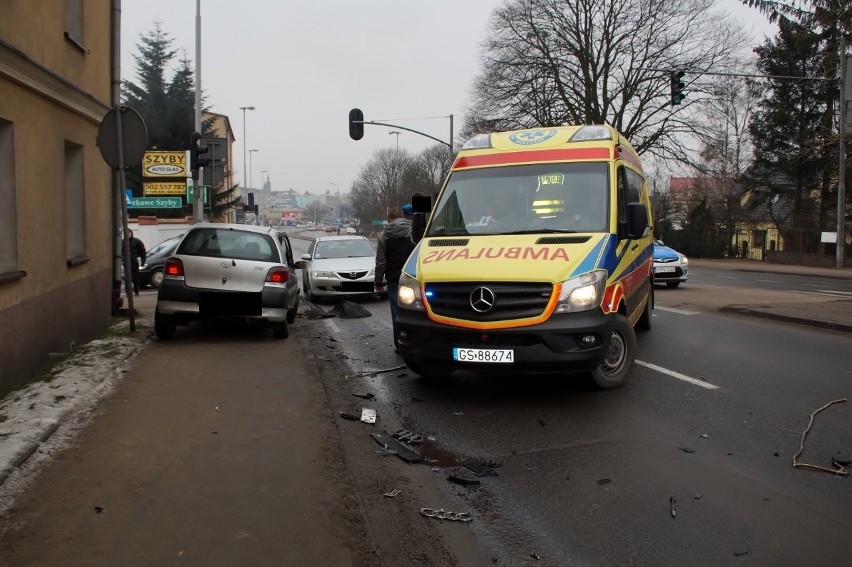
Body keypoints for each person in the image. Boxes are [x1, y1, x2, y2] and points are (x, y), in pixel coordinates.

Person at [374, 207, 415, 353]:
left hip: (393, 279)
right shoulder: (413, 232)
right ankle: (415, 341)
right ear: (402, 217)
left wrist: (378, 282)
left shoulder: (384, 236)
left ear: (389, 219)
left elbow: (380, 262)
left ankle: (399, 344)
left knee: (396, 311)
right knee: (414, 310)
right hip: (412, 278)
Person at [124, 229, 146, 296]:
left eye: (129, 233)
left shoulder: (137, 241)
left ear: (131, 233)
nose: (128, 234)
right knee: (127, 278)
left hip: (135, 262)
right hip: (126, 263)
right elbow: (121, 252)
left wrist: (143, 261)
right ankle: (128, 292)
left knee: (135, 278)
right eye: (127, 233)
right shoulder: (123, 242)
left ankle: (136, 291)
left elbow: (143, 251)